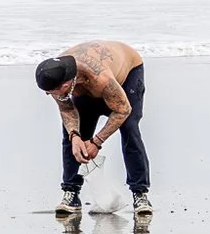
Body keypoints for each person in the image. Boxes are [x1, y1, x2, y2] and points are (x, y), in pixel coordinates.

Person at [34, 40, 151, 216]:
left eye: (57, 90)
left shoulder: (100, 77)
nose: (53, 95)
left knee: (129, 128)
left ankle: (140, 194)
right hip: (85, 87)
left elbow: (123, 110)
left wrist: (97, 142)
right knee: (73, 136)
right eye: (50, 92)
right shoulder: (54, 79)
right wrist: (75, 136)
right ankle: (71, 192)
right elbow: (67, 109)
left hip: (127, 74)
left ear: (69, 80)